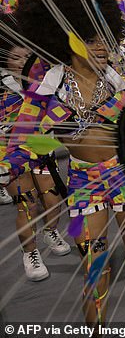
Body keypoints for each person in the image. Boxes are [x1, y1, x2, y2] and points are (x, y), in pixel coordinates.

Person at [3, 0, 125, 325]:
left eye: (105, 40)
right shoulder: (47, 92)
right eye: (90, 39)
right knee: (94, 264)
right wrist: (8, 165)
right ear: (65, 38)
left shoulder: (124, 88)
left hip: (124, 177)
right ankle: (96, 327)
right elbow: (23, 136)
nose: (101, 48)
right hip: (84, 183)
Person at [0, 15, 71, 279]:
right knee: (26, 204)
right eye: (17, 58)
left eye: (28, 56)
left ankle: (51, 231)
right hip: (8, 152)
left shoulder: (44, 81)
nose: (24, 63)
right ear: (6, 60)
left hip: (41, 147)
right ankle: (30, 253)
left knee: (52, 200)